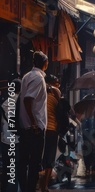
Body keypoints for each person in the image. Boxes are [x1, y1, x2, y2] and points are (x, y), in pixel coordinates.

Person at [18, 51, 49, 192]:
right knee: (34, 163)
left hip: (26, 126)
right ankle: (29, 189)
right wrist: (35, 123)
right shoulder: (38, 78)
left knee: (25, 161)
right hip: (34, 128)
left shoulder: (27, 76)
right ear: (45, 64)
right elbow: (28, 99)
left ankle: (25, 188)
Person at [40, 75, 61, 192]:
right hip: (52, 129)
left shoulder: (39, 92)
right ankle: (45, 185)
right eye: (57, 83)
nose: (58, 86)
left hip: (40, 128)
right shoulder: (55, 92)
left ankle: (39, 184)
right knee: (49, 159)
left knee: (39, 158)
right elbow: (62, 109)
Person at [1, 79, 20, 192]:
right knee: (16, 166)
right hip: (17, 139)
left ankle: (4, 188)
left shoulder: (5, 102)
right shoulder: (20, 101)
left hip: (5, 138)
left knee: (6, 166)